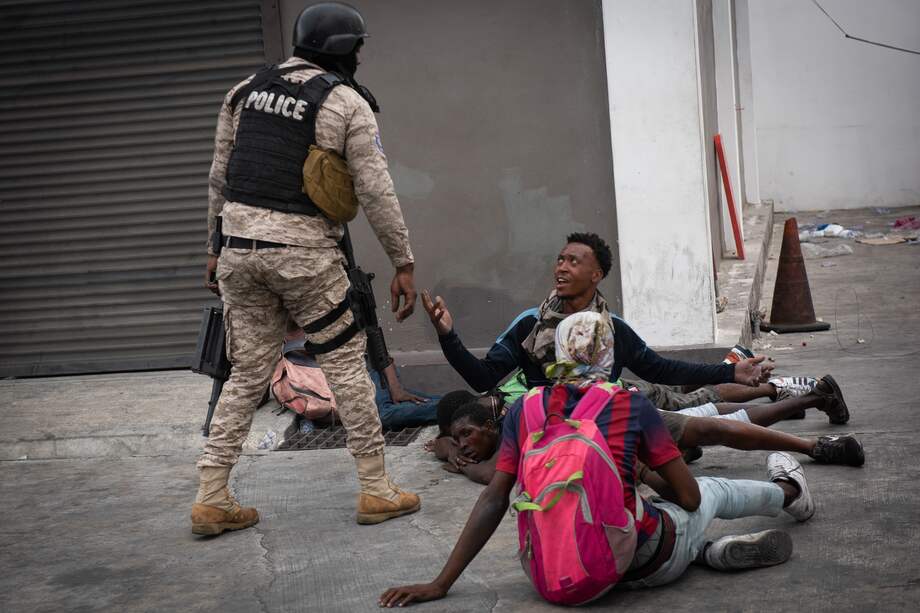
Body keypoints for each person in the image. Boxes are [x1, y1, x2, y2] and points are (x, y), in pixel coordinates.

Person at [379, 312, 817, 607]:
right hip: (637, 562)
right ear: (609, 354)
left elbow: (494, 498)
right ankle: (790, 493)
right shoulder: (628, 405)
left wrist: (440, 584)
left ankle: (710, 554)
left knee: (631, 512)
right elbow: (686, 496)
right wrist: (642, 470)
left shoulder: (526, 410)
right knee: (709, 493)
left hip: (550, 576)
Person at [193, 2, 420, 535]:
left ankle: (211, 496)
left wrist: (213, 246)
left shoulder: (244, 91)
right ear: (342, 48)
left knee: (247, 372)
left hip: (238, 252)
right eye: (357, 47)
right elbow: (376, 191)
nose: (361, 56)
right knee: (345, 363)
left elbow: (219, 177)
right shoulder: (344, 102)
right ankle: (376, 489)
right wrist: (403, 262)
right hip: (305, 255)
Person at [422, 232, 775, 399]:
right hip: (546, 417)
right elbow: (483, 379)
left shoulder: (612, 330)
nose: (561, 267)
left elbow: (661, 368)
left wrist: (727, 372)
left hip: (604, 412)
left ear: (597, 275)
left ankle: (776, 391)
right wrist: (448, 336)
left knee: (695, 408)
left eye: (573, 261)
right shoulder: (531, 324)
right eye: (560, 260)